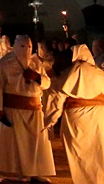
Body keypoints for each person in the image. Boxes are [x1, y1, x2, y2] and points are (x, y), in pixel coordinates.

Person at [0, 35, 55, 183]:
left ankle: (34, 171)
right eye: (22, 47)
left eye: (29, 47)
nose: (26, 50)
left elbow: (47, 83)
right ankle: (18, 172)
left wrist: (36, 77)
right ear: (15, 46)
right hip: (13, 110)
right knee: (16, 143)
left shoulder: (36, 63)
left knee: (35, 142)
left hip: (34, 109)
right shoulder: (4, 62)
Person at [43, 44, 104, 184]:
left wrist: (49, 121)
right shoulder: (100, 73)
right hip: (100, 119)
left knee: (80, 156)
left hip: (76, 120)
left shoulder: (67, 74)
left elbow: (55, 100)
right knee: (99, 152)